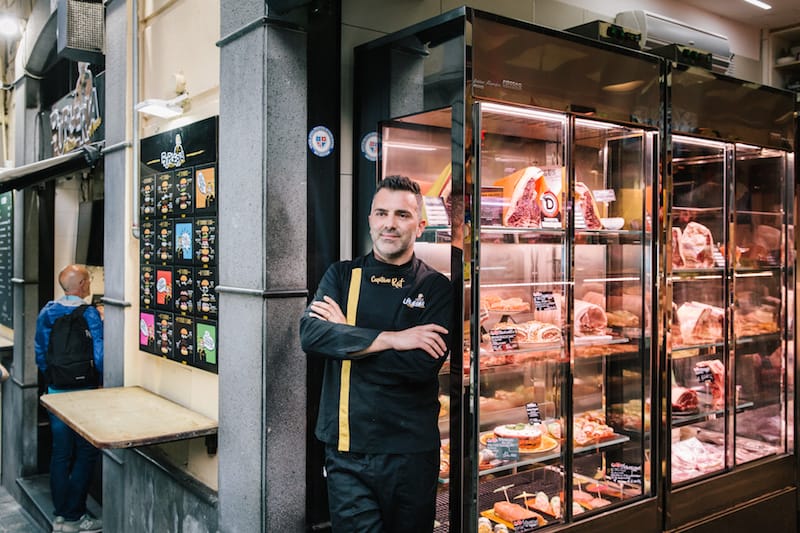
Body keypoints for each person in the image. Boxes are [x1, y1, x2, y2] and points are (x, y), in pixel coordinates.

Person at [300, 175, 452, 533]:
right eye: (381, 213)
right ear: (370, 218)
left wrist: (346, 340)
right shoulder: (341, 276)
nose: (390, 223)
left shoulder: (436, 287)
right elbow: (311, 336)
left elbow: (420, 366)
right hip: (348, 452)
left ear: (421, 224)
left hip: (411, 454)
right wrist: (394, 339)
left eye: (402, 214)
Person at [34, 264, 103, 533]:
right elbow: (99, 354)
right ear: (84, 284)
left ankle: (61, 516)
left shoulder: (47, 312)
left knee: (61, 453)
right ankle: (75, 517)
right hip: (85, 392)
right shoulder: (90, 314)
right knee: (85, 453)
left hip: (56, 392)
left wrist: (54, 379)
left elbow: (40, 352)